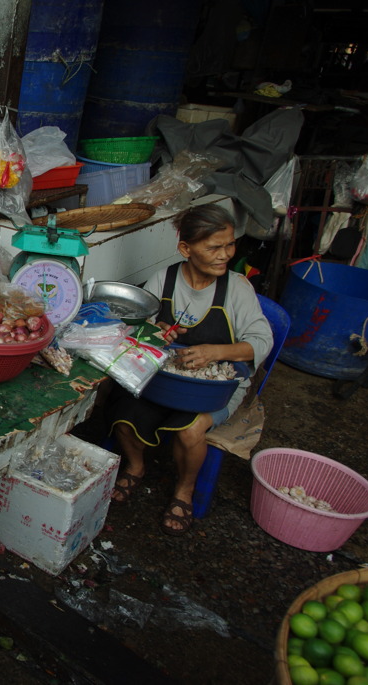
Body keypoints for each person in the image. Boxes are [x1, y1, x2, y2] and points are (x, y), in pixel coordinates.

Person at [107, 204, 273, 536]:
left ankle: (184, 489)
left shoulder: (237, 288)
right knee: (122, 412)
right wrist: (158, 332)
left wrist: (217, 352)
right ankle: (136, 466)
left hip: (217, 386)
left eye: (229, 244)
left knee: (192, 430)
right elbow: (140, 329)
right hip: (166, 379)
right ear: (186, 249)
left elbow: (262, 341)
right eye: (214, 247)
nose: (225, 254)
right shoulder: (163, 279)